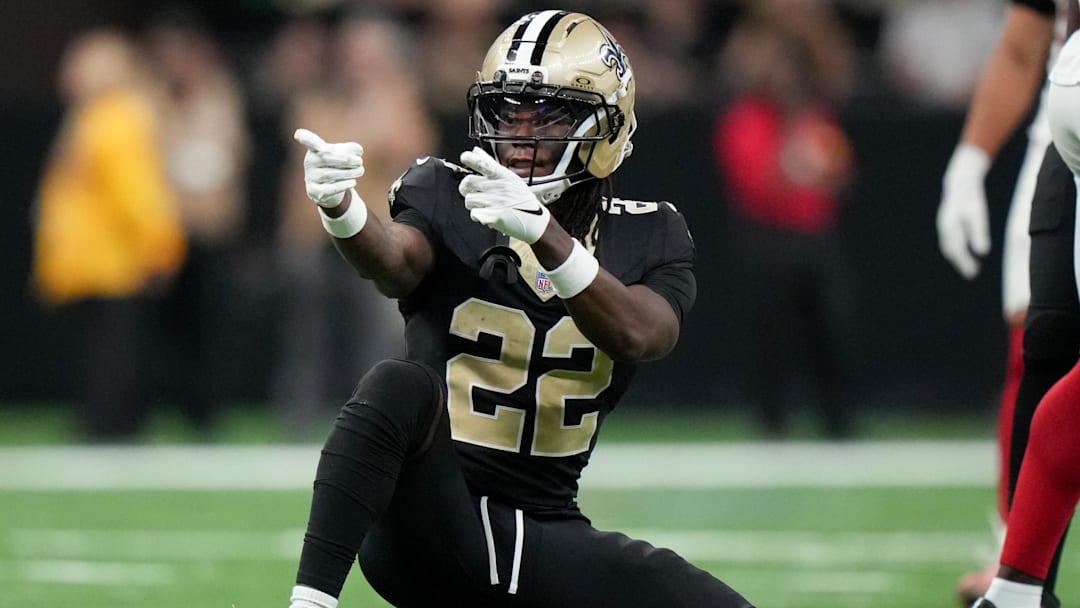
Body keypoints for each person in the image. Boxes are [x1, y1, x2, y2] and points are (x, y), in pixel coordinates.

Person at [286, 10, 754, 608]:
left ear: (608, 128)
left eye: (549, 116)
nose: (522, 135)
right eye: (509, 114)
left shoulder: (652, 234)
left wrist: (545, 236)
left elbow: (644, 334)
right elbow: (395, 262)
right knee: (397, 384)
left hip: (542, 529)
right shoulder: (447, 194)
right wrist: (344, 211)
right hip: (432, 519)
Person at [934, 2, 1075, 605]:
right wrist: (971, 160)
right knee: (1043, 340)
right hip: (1066, 121)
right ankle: (1019, 574)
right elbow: (1026, 41)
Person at [30, 29, 187, 440]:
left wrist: (161, 247)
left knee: (114, 356)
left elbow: (138, 194)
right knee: (105, 355)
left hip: (111, 263)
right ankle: (105, 426)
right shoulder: (95, 117)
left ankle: (113, 430)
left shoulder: (115, 119)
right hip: (92, 263)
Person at [712, 1, 859, 439]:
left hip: (815, 239)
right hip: (766, 242)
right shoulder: (743, 121)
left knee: (828, 333)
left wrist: (813, 165)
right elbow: (759, 186)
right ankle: (771, 422)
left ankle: (837, 419)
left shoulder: (816, 118)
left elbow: (840, 175)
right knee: (771, 338)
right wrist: (792, 160)